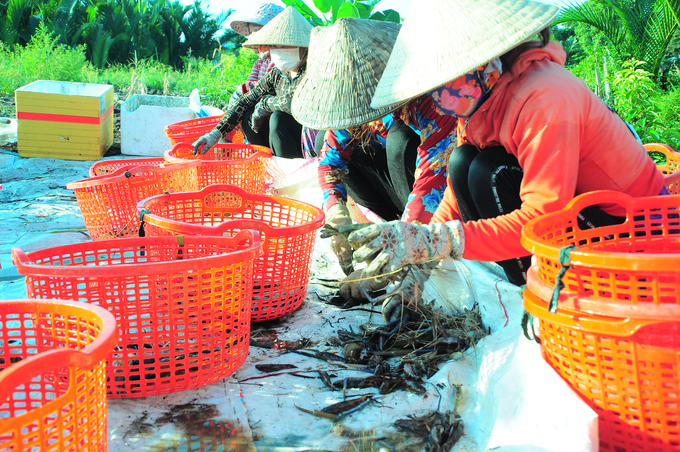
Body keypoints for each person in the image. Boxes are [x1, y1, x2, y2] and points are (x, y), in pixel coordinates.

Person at [345, 0, 666, 321]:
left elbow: (544, 215)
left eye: (446, 80)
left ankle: (544, 294)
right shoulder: (477, 105)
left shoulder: (546, 96)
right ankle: (524, 285)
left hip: (635, 235)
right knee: (462, 162)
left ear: (486, 61)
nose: (438, 97)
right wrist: (421, 262)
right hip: (579, 218)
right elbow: (452, 199)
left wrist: (444, 241)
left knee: (490, 172)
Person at [193, 6, 312, 158]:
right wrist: (215, 134)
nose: (280, 50)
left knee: (279, 117)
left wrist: (266, 103)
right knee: (248, 111)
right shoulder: (277, 74)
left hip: (307, 141)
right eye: (275, 45)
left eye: (286, 44)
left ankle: (290, 174)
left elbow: (298, 102)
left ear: (303, 47)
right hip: (281, 140)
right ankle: (264, 161)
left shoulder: (312, 70)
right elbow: (245, 100)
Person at [225, 3, 284, 112]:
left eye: (257, 30)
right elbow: (250, 89)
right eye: (251, 32)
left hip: (274, 107)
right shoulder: (260, 62)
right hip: (259, 105)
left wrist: (242, 90)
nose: (253, 35)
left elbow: (267, 87)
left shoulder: (280, 60)